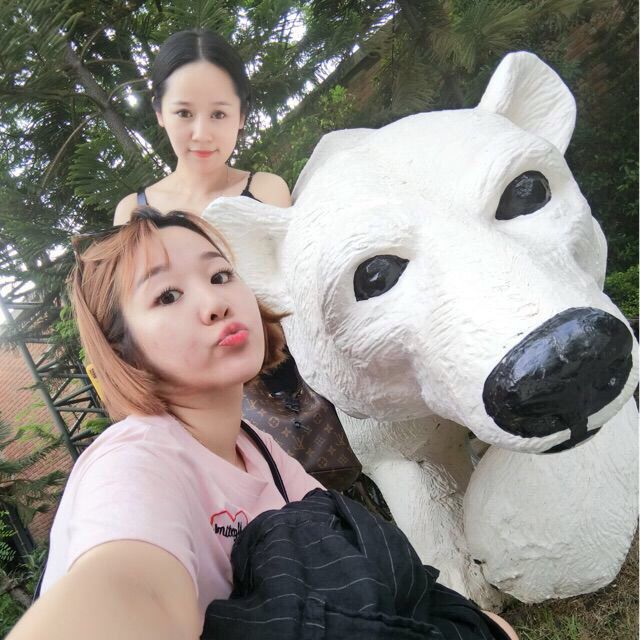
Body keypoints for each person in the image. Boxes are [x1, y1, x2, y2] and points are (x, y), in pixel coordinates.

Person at [8, 209, 518, 640]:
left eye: (219, 275)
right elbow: (130, 589)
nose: (216, 303)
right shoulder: (134, 459)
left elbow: (359, 565)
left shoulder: (260, 450)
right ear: (124, 350)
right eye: (167, 296)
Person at [114, 29, 290, 225]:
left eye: (218, 114)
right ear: (160, 113)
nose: (201, 135)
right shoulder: (132, 212)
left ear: (241, 115)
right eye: (184, 113)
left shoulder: (267, 192)